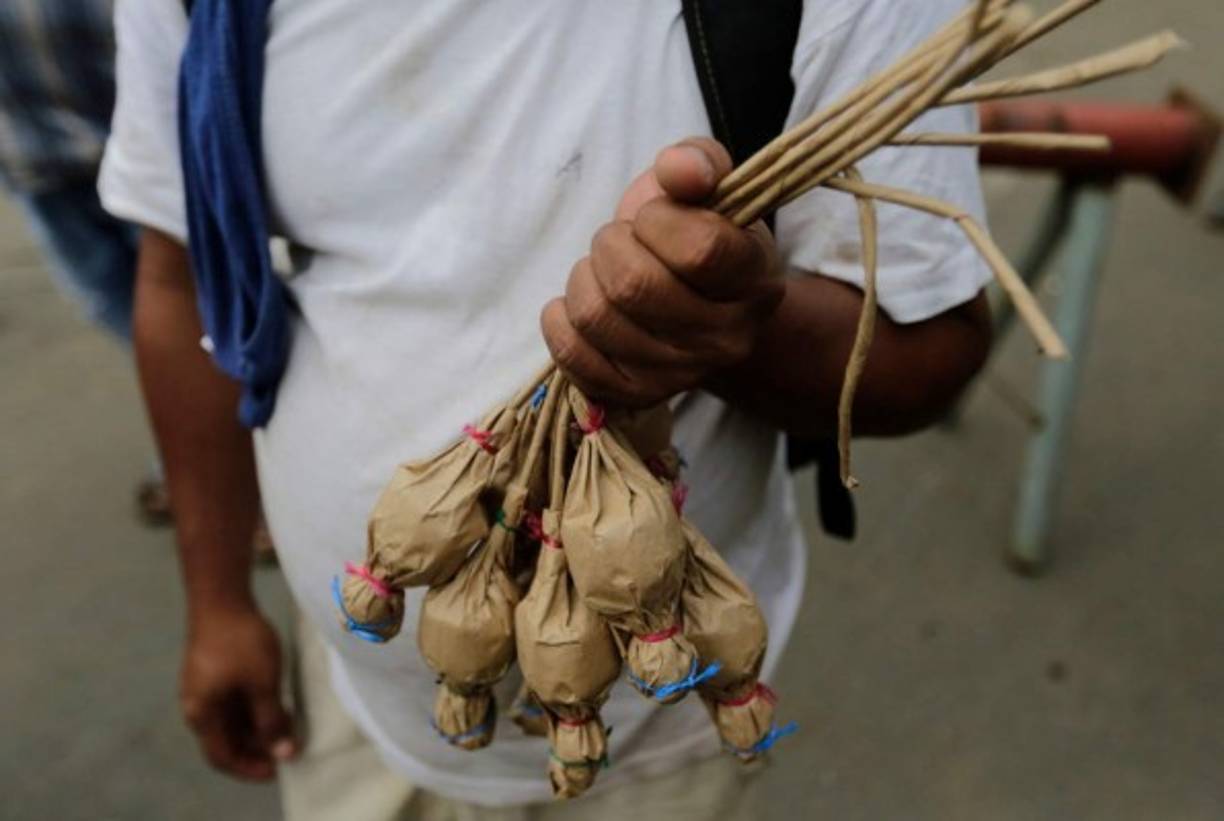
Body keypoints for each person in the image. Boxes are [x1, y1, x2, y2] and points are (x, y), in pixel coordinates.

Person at [100, 0, 993, 818]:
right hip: (354, 711)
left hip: (660, 748)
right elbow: (183, 277)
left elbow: (930, 347)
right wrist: (216, 601)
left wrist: (734, 328)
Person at [0, 0, 176, 524]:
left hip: (150, 153)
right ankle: (199, 457)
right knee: (126, 318)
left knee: (194, 313)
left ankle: (246, 482)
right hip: (34, 163)